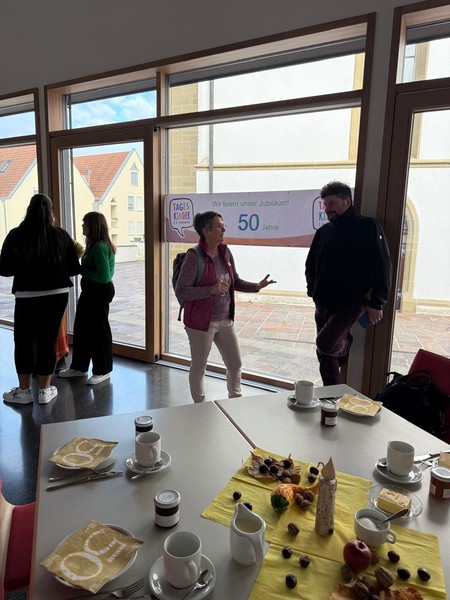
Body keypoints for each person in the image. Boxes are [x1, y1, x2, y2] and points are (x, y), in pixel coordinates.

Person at [175, 211, 276, 402]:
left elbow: (234, 281)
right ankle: (199, 406)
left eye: (224, 226)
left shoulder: (225, 252)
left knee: (235, 363)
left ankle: (235, 401)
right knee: (199, 366)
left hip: (225, 320)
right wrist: (210, 290)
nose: (223, 230)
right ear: (206, 231)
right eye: (219, 227)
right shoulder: (194, 257)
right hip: (201, 323)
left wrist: (256, 286)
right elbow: (182, 291)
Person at [305, 181, 392, 386]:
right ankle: (332, 397)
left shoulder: (368, 227)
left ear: (347, 202)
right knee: (325, 357)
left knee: (325, 344)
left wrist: (377, 303)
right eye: (325, 205)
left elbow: (383, 266)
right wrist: (312, 290)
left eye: (332, 203)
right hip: (323, 302)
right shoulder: (323, 232)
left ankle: (344, 345)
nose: (328, 209)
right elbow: (311, 264)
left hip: (352, 303)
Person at [0, 193, 80, 405]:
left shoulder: (16, 235)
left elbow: (4, 269)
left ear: (29, 210)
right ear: (50, 212)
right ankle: (44, 391)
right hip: (57, 295)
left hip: (27, 296)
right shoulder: (61, 235)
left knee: (23, 341)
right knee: (48, 340)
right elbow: (74, 268)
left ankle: (24, 391)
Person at [59, 212, 116, 385]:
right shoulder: (92, 245)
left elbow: (104, 277)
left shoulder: (99, 247)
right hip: (90, 292)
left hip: (99, 292)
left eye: (85, 223)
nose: (82, 225)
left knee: (99, 332)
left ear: (94, 226)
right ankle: (79, 367)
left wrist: (79, 269)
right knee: (82, 329)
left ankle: (103, 370)